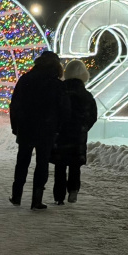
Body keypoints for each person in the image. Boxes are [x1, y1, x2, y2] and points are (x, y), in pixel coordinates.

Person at [9, 51, 70, 210]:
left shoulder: (26, 79)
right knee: (42, 163)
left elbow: (15, 105)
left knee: (22, 161)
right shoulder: (56, 84)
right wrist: (58, 128)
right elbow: (64, 109)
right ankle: (37, 200)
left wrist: (15, 126)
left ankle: (16, 195)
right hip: (47, 129)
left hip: (26, 126)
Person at [51, 60, 98, 205]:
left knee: (60, 165)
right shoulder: (86, 95)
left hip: (61, 134)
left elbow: (53, 112)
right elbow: (93, 116)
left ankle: (59, 196)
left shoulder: (60, 91)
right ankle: (73, 190)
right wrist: (83, 128)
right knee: (75, 165)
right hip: (78, 135)